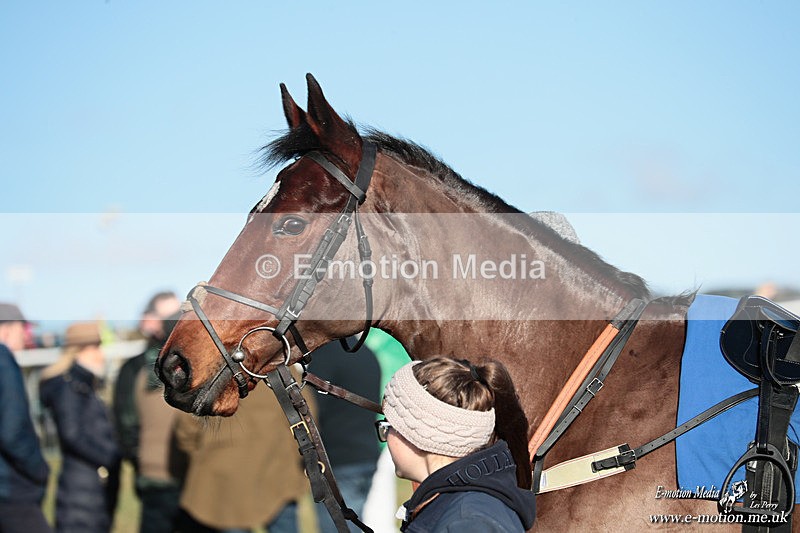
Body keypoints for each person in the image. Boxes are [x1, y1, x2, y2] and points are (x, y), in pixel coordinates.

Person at [379, 357, 536, 532]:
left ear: (421, 433)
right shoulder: (463, 509)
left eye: (388, 426)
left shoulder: (469, 522)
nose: (386, 436)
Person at [174, 372, 314, 533]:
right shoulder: (283, 372)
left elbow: (186, 431)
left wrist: (198, 456)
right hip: (277, 471)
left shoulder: (210, 373)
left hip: (224, 476)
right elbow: (307, 421)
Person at [40, 322, 121, 533]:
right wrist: (111, 456)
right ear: (78, 350)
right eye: (95, 347)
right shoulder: (68, 387)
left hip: (92, 490)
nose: (100, 354)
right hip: (80, 494)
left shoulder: (85, 384)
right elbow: (72, 435)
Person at [308, 339, 381, 533]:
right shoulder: (367, 353)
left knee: (339, 528)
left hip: (337, 460)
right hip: (366, 453)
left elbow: (311, 409)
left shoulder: (326, 356)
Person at [114, 291, 181, 474]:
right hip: (156, 474)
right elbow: (126, 426)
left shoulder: (191, 363)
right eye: (170, 318)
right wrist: (142, 459)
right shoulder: (134, 368)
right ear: (149, 321)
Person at [0, 303, 52, 533]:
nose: (26, 336)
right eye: (24, 329)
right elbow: (12, 431)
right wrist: (39, 468)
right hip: (10, 490)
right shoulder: (3, 360)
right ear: (6, 330)